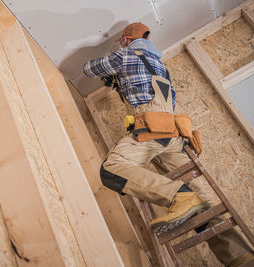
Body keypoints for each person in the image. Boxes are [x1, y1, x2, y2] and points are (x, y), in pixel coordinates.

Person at [83, 22, 253, 267]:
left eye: (122, 40)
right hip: (173, 136)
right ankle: (241, 256)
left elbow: (88, 69)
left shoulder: (126, 55)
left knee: (111, 169)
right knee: (201, 201)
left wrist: (113, 64)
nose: (121, 44)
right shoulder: (160, 67)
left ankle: (179, 196)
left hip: (152, 128)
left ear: (127, 40)